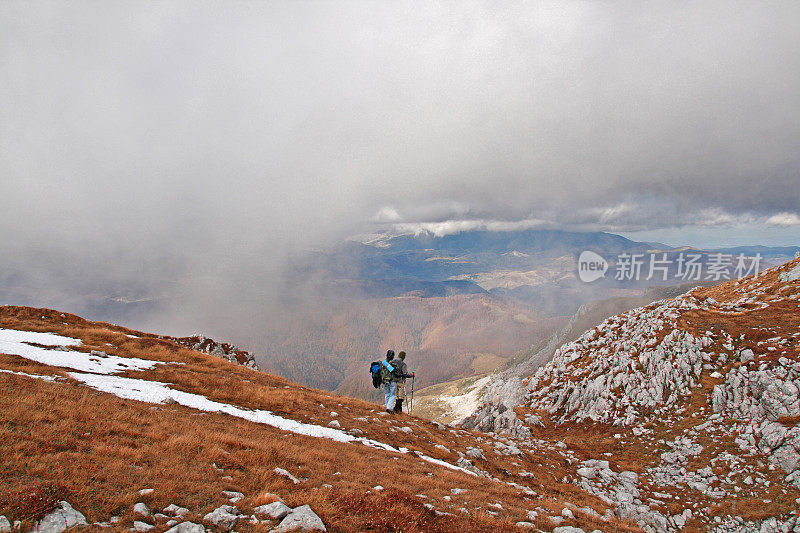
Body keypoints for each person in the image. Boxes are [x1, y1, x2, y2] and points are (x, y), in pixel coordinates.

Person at [380, 350, 397, 414]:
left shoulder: (383, 362)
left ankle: (388, 407)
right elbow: (392, 370)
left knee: (387, 394)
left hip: (384, 381)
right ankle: (389, 408)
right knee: (392, 395)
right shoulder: (392, 363)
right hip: (391, 381)